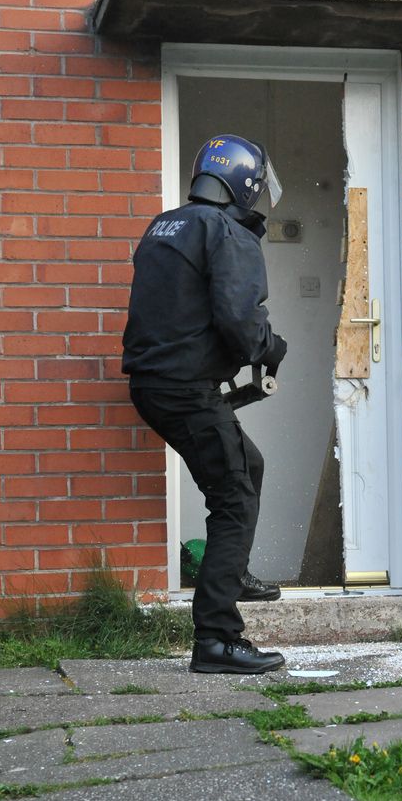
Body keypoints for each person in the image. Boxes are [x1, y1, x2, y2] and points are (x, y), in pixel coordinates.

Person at [122, 134, 287, 674]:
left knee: (247, 466)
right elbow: (241, 323)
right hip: (186, 390)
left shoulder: (165, 226)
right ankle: (217, 639)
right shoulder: (227, 232)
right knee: (234, 498)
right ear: (246, 184)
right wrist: (271, 349)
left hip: (153, 385)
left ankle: (229, 571)